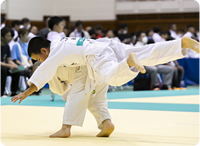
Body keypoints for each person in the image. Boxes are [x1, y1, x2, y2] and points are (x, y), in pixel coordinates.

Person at [11, 36, 199, 138]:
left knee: (112, 77)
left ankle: (129, 64)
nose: (40, 61)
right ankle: (180, 44)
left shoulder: (53, 54)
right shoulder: (62, 41)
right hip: (107, 45)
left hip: (95, 55)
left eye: (38, 58)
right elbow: (46, 70)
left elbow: (44, 71)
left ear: (44, 50)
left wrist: (27, 92)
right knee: (145, 52)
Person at [1, 27, 20, 96]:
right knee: (3, 70)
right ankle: (1, 93)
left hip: (4, 66)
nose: (10, 38)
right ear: (2, 37)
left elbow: (9, 60)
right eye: (8, 36)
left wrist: (15, 65)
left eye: (11, 36)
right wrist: (9, 65)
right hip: (2, 67)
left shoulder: (7, 46)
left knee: (17, 70)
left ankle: (14, 92)